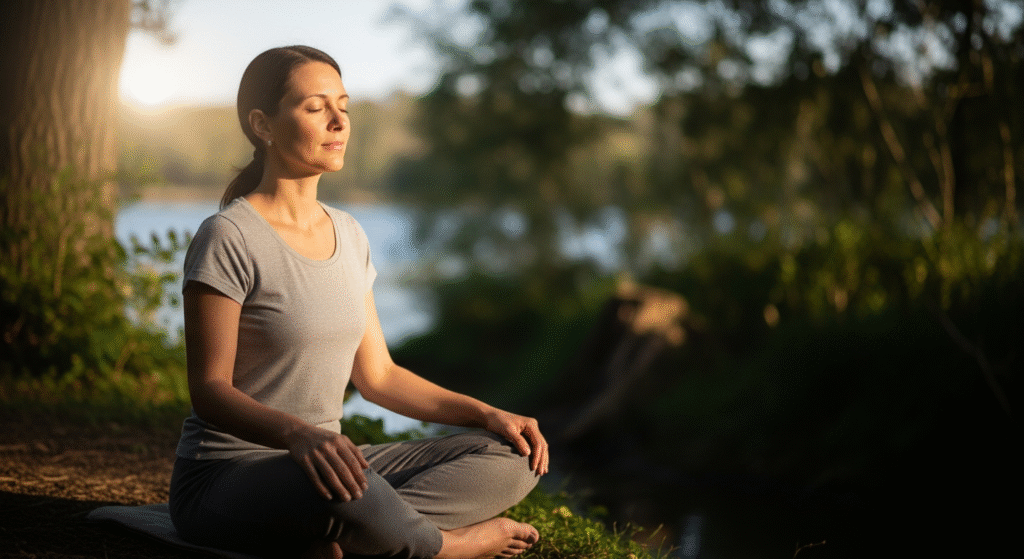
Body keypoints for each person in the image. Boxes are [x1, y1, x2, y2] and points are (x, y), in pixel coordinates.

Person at [168, 45, 548, 559]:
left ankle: (360, 531)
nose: (337, 122)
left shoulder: (348, 233)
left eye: (343, 107)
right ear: (263, 124)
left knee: (512, 456)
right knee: (346, 490)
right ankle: (450, 546)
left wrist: (486, 414)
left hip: (336, 468)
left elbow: (380, 378)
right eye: (315, 107)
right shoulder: (228, 236)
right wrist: (300, 436)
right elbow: (209, 390)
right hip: (230, 477)